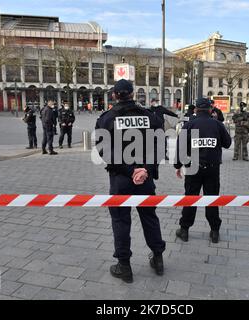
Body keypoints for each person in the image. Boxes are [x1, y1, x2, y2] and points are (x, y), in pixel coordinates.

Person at [95, 79, 166, 283]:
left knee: (120, 220)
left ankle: (124, 266)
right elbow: (160, 145)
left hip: (120, 179)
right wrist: (145, 170)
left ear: (115, 95)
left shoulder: (107, 118)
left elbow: (104, 151)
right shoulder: (149, 116)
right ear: (133, 94)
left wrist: (129, 170)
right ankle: (158, 258)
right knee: (149, 217)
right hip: (145, 179)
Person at [174, 98, 232, 243]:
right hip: (213, 169)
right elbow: (227, 143)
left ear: (195, 110)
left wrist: (177, 166)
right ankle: (214, 231)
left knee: (190, 198)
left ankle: (185, 230)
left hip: (193, 167)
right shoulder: (217, 124)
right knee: (211, 199)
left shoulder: (188, 125)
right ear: (211, 110)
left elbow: (180, 147)